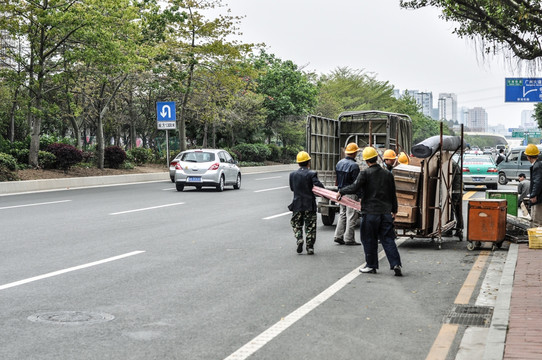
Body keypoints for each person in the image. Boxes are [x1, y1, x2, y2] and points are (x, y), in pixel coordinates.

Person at [336, 146, 403, 276]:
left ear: (366, 161)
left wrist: (341, 191)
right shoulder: (387, 174)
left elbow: (355, 187)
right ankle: (396, 264)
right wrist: (394, 210)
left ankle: (371, 265)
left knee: (369, 239)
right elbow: (392, 194)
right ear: (377, 158)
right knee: (388, 239)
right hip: (385, 212)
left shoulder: (365, 173)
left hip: (370, 213)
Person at [289, 151, 325, 255]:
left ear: (298, 163)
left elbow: (292, 188)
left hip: (297, 204)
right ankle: (310, 247)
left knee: (296, 223)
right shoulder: (311, 174)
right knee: (310, 226)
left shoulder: (292, 174)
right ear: (308, 162)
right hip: (309, 204)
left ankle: (299, 238)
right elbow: (319, 187)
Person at [333, 143, 362, 246]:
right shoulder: (354, 166)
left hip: (341, 192)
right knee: (351, 216)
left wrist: (339, 191)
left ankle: (338, 235)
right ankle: (349, 238)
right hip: (351, 193)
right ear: (354, 153)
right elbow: (356, 184)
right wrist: (360, 196)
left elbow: (337, 179)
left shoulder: (339, 163)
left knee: (342, 214)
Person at [525, 144, 542, 225]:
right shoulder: (538, 164)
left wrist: (533, 195)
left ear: (528, 157)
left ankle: (537, 237)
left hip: (538, 198)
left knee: (537, 221)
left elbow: (537, 182)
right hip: (539, 196)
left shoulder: (537, 166)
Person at [451, 159, 463, 238]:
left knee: (451, 209)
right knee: (458, 211)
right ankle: (459, 228)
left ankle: (450, 228)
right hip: (458, 189)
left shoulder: (451, 164)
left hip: (455, 190)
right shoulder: (454, 163)